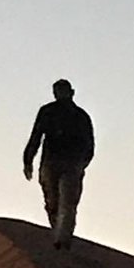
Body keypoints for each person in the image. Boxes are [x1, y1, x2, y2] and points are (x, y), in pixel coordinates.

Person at [23, 79, 95, 250]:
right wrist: (28, 160)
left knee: (68, 203)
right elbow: (36, 136)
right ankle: (58, 233)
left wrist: (81, 164)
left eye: (63, 91)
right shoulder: (47, 111)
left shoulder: (81, 116)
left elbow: (90, 144)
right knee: (52, 202)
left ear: (71, 92)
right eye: (57, 91)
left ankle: (62, 239)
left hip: (71, 164)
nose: (60, 95)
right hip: (51, 163)